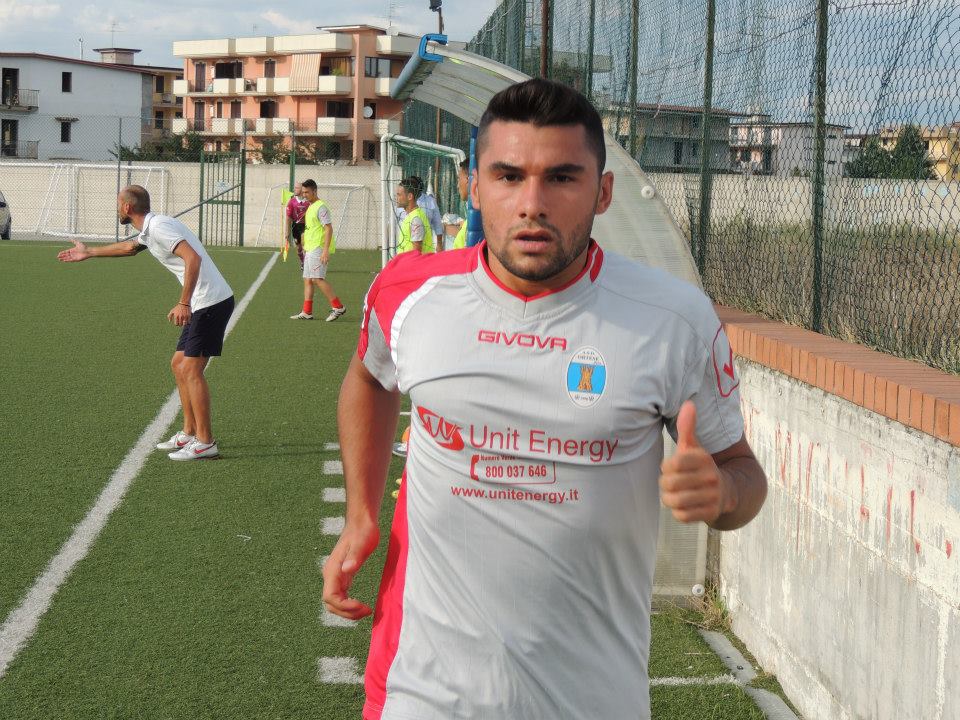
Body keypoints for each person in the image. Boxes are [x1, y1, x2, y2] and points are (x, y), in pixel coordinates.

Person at [322, 78, 768, 720]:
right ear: (472, 187)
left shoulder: (673, 320)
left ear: (603, 192)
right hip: (422, 691)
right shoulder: (409, 294)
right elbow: (369, 378)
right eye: (508, 176)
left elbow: (744, 474)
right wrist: (362, 513)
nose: (532, 204)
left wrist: (721, 493)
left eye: (561, 178)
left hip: (592, 701)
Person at [57, 185, 234, 461]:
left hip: (210, 301)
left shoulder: (160, 227)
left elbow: (193, 258)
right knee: (179, 364)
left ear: (127, 207)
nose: (117, 208)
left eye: (119, 203)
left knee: (191, 369)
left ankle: (205, 442)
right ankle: (189, 432)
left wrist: (184, 302)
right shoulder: (151, 229)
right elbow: (130, 248)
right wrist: (89, 252)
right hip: (202, 302)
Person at [289, 179, 346, 322]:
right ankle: (306, 312)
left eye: (307, 192)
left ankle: (338, 307)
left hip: (318, 249)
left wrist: (325, 250)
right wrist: (304, 243)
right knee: (308, 279)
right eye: (303, 192)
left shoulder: (321, 207)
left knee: (317, 279)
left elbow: (328, 228)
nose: (304, 195)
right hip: (310, 248)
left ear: (314, 191)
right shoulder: (311, 206)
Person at [393, 177, 433, 255]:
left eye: (399, 195)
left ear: (410, 197)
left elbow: (416, 253)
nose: (396, 198)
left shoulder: (416, 219)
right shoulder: (411, 215)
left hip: (414, 263)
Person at [284, 181, 308, 269]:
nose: (294, 189)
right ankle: (303, 262)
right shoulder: (292, 202)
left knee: (305, 244)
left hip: (306, 226)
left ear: (302, 189)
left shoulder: (308, 201)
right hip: (296, 226)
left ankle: (307, 264)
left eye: (297, 188)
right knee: (299, 248)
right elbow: (288, 217)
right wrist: (287, 232)